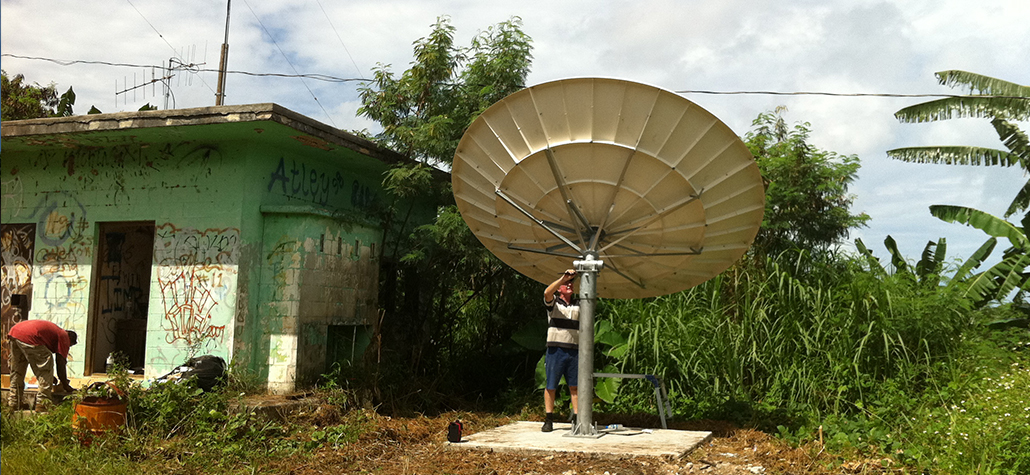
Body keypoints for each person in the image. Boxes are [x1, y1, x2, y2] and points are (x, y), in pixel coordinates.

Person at [7, 319, 77, 410]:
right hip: (30, 336)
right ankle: (42, 402)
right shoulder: (64, 336)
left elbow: (36, 361)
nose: (67, 347)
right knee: (46, 364)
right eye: (70, 346)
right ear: (71, 340)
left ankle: (14, 401)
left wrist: (50, 377)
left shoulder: (52, 334)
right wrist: (65, 384)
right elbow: (60, 363)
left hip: (15, 333)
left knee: (18, 369)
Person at [541, 269, 580, 432]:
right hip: (556, 350)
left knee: (575, 386)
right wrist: (563, 278)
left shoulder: (579, 304)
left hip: (574, 351)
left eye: (571, 283)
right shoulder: (554, 303)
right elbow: (546, 292)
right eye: (566, 284)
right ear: (559, 288)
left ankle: (578, 419)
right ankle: (549, 419)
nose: (569, 284)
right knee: (551, 385)